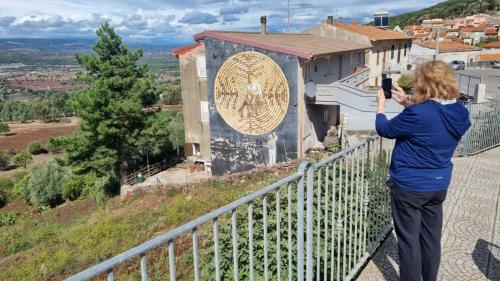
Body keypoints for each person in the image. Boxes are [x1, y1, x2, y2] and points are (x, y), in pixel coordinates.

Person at [375, 60, 471, 281]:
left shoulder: (419, 113)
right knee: (430, 239)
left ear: (423, 83)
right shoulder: (460, 112)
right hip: (438, 184)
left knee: (409, 242)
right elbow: (435, 119)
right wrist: (407, 104)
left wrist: (381, 105)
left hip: (409, 186)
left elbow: (385, 129)